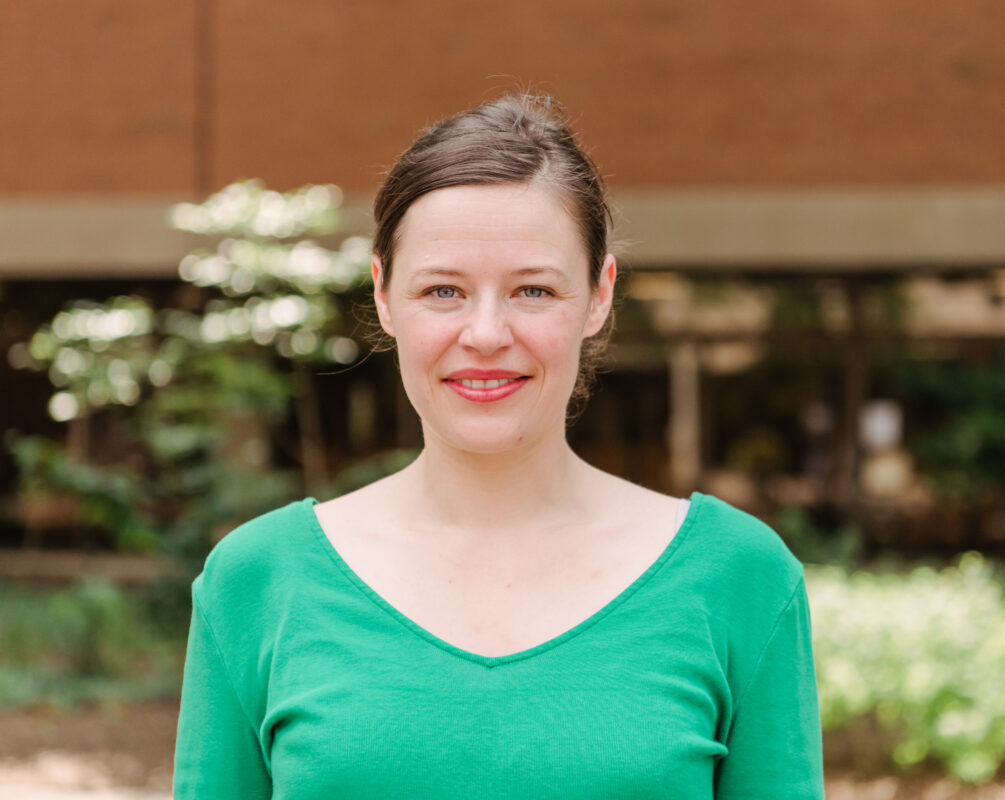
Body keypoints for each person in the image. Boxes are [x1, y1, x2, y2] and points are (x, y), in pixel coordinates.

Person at [173, 94, 823, 799]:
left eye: (533, 290)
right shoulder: (258, 581)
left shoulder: (740, 577)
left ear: (600, 294)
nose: (485, 333)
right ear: (384, 294)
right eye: (444, 290)